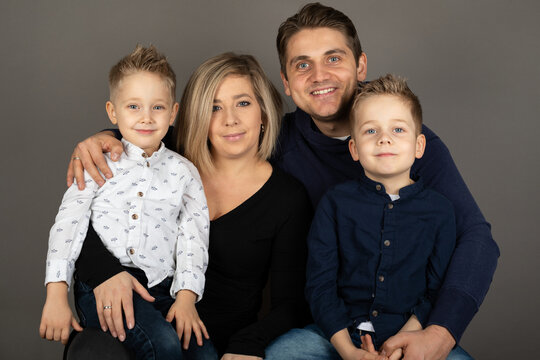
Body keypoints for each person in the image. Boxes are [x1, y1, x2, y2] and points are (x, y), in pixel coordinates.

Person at [67, 3, 499, 359]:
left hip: (390, 320)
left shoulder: (409, 145)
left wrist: (440, 332)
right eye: (302, 65)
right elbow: (157, 136)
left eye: (334, 58)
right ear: (287, 85)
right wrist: (106, 140)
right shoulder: (274, 138)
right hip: (303, 324)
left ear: (360, 64)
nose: (320, 75)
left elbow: (476, 237)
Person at [69, 52, 313, 359]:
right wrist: (103, 272)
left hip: (214, 342)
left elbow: (291, 303)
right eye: (214, 107)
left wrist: (245, 346)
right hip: (139, 319)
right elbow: (85, 216)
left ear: (263, 112)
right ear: (197, 114)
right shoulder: (168, 157)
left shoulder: (286, 197)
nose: (230, 119)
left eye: (243, 103)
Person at [39, 45, 210, 360]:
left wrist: (186, 298)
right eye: (133, 106)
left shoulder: (185, 172)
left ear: (173, 113)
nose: (146, 117)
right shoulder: (96, 162)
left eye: (157, 107)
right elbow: (68, 224)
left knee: (203, 353)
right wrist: (56, 294)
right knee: (165, 347)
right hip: (102, 288)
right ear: (112, 111)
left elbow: (193, 237)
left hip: (163, 289)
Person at [305, 74, 456, 360]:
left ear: (419, 145)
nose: (384, 138)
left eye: (398, 129)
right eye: (370, 131)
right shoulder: (335, 204)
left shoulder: (440, 211)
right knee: (283, 351)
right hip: (340, 335)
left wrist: (407, 339)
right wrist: (348, 351)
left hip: (413, 335)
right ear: (354, 148)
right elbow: (320, 285)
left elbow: (437, 290)